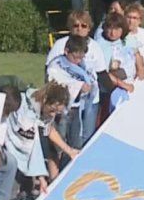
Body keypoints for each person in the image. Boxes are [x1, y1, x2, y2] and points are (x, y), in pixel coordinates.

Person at [0, 82, 78, 200]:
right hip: (1, 139)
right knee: (11, 166)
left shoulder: (43, 106)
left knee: (37, 160)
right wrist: (41, 177)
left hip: (22, 143)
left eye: (57, 112)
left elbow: (49, 129)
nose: (53, 115)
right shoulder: (25, 114)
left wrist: (69, 150)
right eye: (52, 110)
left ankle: (25, 191)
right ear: (45, 100)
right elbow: (28, 148)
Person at [45, 11, 105, 148]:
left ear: (89, 28)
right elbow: (50, 73)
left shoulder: (95, 47)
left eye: (84, 25)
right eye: (75, 25)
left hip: (90, 101)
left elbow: (102, 74)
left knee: (86, 140)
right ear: (70, 27)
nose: (79, 28)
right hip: (64, 103)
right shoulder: (60, 45)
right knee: (60, 143)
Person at [93, 12, 137, 114]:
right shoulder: (99, 45)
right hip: (105, 91)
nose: (113, 33)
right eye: (110, 28)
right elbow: (101, 71)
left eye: (117, 29)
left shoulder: (124, 43)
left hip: (122, 89)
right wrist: (122, 84)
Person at [123, 2, 144, 74]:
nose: (131, 21)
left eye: (134, 18)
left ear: (140, 20)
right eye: (129, 17)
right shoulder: (122, 35)